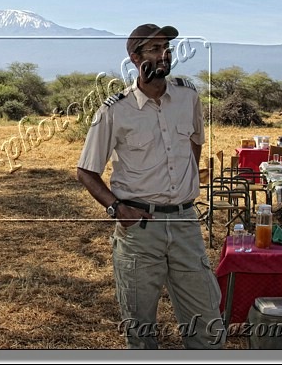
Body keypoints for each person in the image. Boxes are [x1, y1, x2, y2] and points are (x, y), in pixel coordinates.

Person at [76, 23, 226, 349]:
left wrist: (184, 182)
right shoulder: (114, 110)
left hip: (185, 223)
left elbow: (195, 144)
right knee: (140, 327)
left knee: (207, 321)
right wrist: (115, 207)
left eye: (167, 48)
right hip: (140, 229)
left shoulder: (187, 96)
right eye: (155, 49)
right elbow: (87, 171)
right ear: (134, 57)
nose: (164, 55)